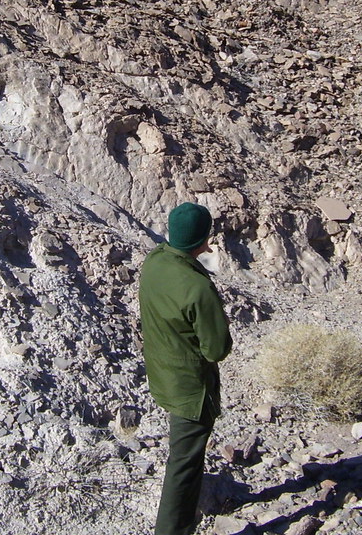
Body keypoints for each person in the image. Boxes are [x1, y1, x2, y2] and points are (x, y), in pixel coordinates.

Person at [139, 202, 232, 535]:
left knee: (184, 455)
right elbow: (217, 348)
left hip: (163, 373)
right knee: (185, 463)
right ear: (203, 241)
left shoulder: (155, 262)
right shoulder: (198, 288)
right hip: (191, 389)